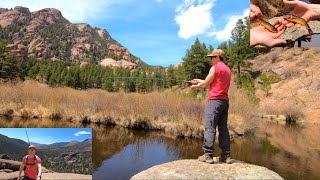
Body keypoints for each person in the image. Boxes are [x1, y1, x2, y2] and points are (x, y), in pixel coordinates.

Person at [190, 49, 232, 164]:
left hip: (214, 102)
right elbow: (212, 81)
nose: (210, 59)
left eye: (212, 57)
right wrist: (198, 80)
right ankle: (226, 156)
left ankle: (208, 155)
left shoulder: (215, 68)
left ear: (218, 57)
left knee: (210, 127)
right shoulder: (228, 70)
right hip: (224, 102)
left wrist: (194, 87)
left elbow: (205, 85)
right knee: (223, 129)